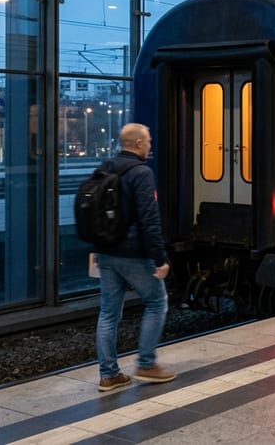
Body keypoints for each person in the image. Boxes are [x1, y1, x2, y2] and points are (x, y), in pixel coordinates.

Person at [94, 123, 176, 392]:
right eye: (149, 141)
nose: (150, 145)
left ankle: (108, 375)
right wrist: (160, 258)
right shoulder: (141, 173)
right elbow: (149, 219)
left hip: (106, 251)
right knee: (156, 301)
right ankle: (146, 363)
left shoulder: (105, 167)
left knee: (108, 312)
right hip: (132, 253)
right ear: (139, 144)